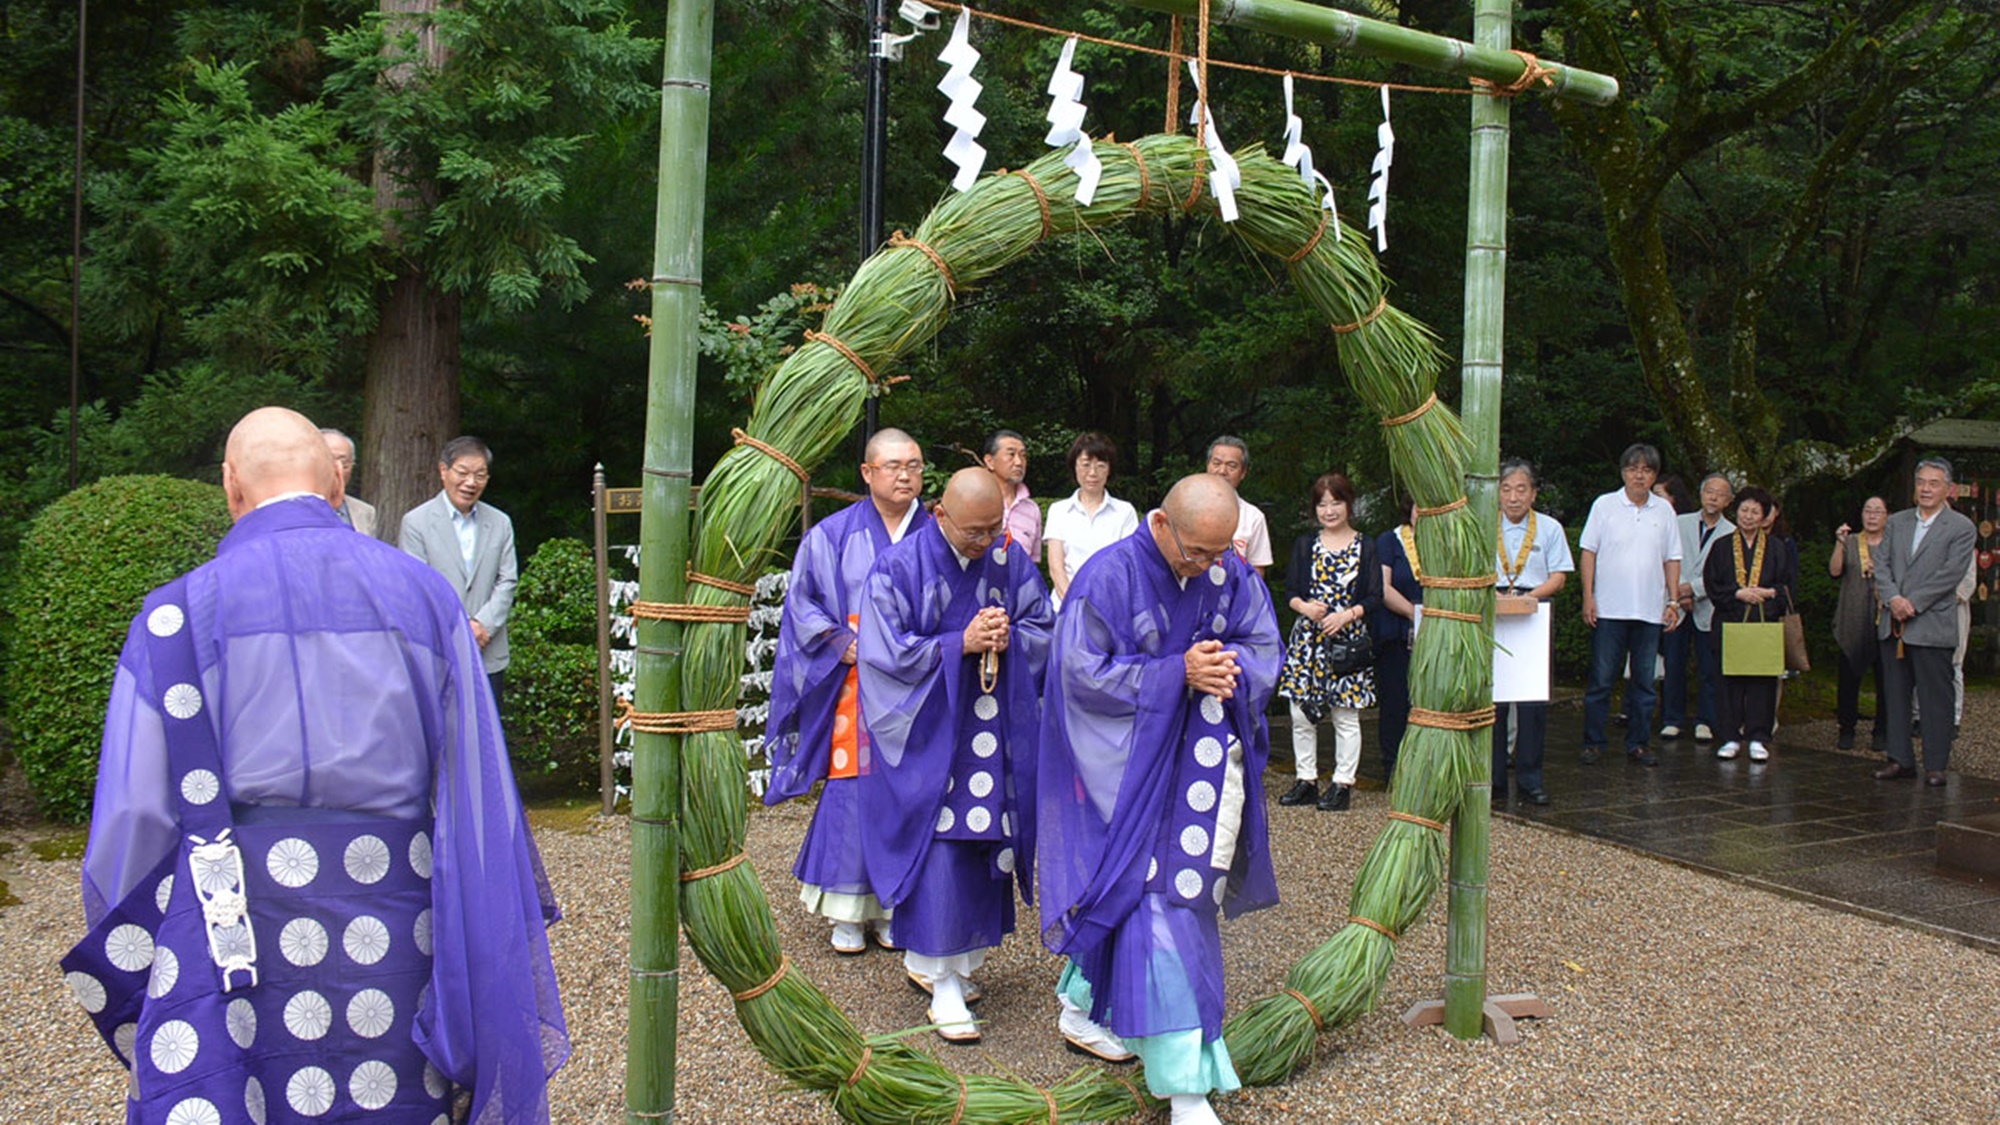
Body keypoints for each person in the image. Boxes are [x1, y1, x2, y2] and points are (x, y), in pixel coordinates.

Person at [64, 407, 564, 1124]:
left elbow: (132, 821)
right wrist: (475, 954)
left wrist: (145, 965)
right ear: (336, 484)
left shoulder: (174, 616)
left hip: (231, 924)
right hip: (401, 919)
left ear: (232, 487)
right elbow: (478, 795)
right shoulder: (428, 601)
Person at [1038, 473, 1283, 1125]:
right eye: (1196, 551)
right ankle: (1185, 1090)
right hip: (1122, 766)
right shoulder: (1106, 577)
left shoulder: (1228, 572)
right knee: (1146, 896)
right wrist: (1176, 672)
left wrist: (1223, 666)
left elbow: (1263, 647)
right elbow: (1076, 674)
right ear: (1160, 523)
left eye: (1220, 551)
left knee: (1173, 898)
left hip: (1197, 769)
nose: (1207, 565)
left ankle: (1098, 1009)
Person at [857, 467, 1053, 1044]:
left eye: (995, 529)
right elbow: (882, 653)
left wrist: (1010, 634)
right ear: (939, 512)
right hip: (929, 738)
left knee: (984, 842)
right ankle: (940, 983)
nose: (986, 542)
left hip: (993, 734)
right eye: (974, 532)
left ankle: (959, 963)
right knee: (941, 846)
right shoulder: (899, 566)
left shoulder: (1007, 557)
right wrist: (957, 644)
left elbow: (1044, 624)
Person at [763, 428, 931, 954]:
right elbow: (802, 603)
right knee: (854, 786)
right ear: (867, 473)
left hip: (923, 679)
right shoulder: (832, 535)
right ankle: (845, 905)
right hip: (857, 680)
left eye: (915, 465)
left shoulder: (938, 534)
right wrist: (839, 641)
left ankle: (893, 903)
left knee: (914, 787)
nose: (905, 475)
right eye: (893, 466)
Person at [1275, 473, 1379, 812]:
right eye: (1322, 504)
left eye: (1336, 502)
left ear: (1349, 504)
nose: (1329, 510)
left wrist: (1346, 615)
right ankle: (1306, 779)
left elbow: (1375, 596)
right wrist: (1305, 607)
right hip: (1308, 639)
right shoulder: (1306, 544)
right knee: (1300, 711)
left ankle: (1342, 784)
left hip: (1346, 642)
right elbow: (1291, 593)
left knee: (1345, 715)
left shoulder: (1366, 545)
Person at [1578, 443, 1684, 766]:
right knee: (1602, 678)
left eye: (1647, 470)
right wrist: (1588, 596)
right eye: (1633, 469)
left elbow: (1672, 558)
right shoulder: (1605, 505)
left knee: (1644, 681)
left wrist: (1673, 600)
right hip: (1610, 607)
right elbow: (1588, 552)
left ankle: (1638, 742)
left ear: (1654, 475)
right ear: (1623, 471)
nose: (1639, 475)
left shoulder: (1664, 510)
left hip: (1649, 609)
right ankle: (1594, 741)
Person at [1874, 457, 1977, 786]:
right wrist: (1894, 599)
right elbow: (1882, 564)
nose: (1926, 489)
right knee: (1895, 693)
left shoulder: (1961, 527)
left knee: (1935, 697)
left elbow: (1950, 575)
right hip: (1894, 622)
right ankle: (1900, 758)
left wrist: (1913, 603)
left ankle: (1935, 764)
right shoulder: (1898, 522)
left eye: (1934, 483)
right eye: (1921, 482)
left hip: (1932, 623)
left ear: (1948, 488)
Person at [400, 437, 518, 708]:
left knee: (488, 737)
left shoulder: (500, 523)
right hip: (439, 648)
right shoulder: (416, 522)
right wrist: (459, 628)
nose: (470, 483)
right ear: (444, 471)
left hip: (488, 650)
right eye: (462, 473)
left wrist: (482, 625)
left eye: (479, 475)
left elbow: (507, 580)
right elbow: (418, 586)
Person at [1491, 459, 1575, 806]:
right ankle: (1492, 778)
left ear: (1534, 493)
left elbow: (1559, 575)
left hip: (1534, 612)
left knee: (1532, 703)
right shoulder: (1484, 525)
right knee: (1493, 700)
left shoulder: (1550, 528)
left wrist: (1530, 598)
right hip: (1493, 609)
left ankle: (1530, 778)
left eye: (1521, 489)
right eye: (1507, 489)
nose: (1513, 497)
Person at [1706, 487, 1796, 762]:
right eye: (1744, 510)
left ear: (1765, 516)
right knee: (1728, 680)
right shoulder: (1722, 546)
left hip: (1762, 621)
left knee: (1762, 681)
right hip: (1730, 620)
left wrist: (1768, 594)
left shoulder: (1777, 548)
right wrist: (1737, 593)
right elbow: (1712, 583)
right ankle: (1731, 735)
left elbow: (1788, 587)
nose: (1748, 516)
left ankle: (1759, 736)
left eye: (1755, 511)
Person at [1661, 473, 1733, 742]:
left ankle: (1706, 719)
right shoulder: (1679, 522)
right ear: (1701, 493)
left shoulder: (1731, 533)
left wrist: (1694, 589)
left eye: (1720, 493)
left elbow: (1726, 573)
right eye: (1708, 491)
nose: (1713, 497)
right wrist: (1680, 590)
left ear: (1728, 501)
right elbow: (1667, 557)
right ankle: (1672, 718)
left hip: (1709, 606)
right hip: (1675, 603)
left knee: (1709, 666)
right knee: (1674, 663)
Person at [1044, 431, 1140, 609]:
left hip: (1110, 607)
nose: (1093, 473)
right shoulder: (1058, 511)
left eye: (1101, 465)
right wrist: (1073, 604)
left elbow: (1128, 565)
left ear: (1109, 469)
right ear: (1075, 466)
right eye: (1086, 465)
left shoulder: (1125, 512)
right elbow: (1056, 568)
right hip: (1064, 607)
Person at [1830, 496, 1890, 751]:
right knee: (1848, 676)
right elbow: (1834, 571)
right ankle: (1847, 727)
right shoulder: (1852, 540)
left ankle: (1882, 731)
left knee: (1886, 678)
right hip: (1853, 615)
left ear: (1887, 516)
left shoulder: (1892, 543)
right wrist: (1839, 544)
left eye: (1878, 511)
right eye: (1868, 510)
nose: (1872, 515)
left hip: (1883, 616)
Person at [1373, 497, 1422, 785]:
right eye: (1418, 508)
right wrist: (1416, 615)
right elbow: (1383, 587)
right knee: (1396, 702)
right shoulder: (1389, 541)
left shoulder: (1445, 543)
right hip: (1398, 631)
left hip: (1438, 630)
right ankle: (1393, 767)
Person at [1205, 436, 1273, 576]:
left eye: (1232, 466)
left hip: (1234, 595)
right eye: (1216, 463)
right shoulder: (1184, 506)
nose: (1222, 471)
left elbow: (1257, 571)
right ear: (1208, 466)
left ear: (1243, 473)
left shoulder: (1253, 517)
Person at [983, 429, 1043, 562]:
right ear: (990, 461)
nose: (1019, 462)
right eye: (1011, 454)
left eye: (1023, 455)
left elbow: (1032, 565)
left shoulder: (1032, 510)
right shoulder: (975, 501)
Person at [319, 427, 378, 537]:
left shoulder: (365, 512)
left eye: (344, 463)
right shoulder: (289, 508)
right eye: (329, 460)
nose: (338, 469)